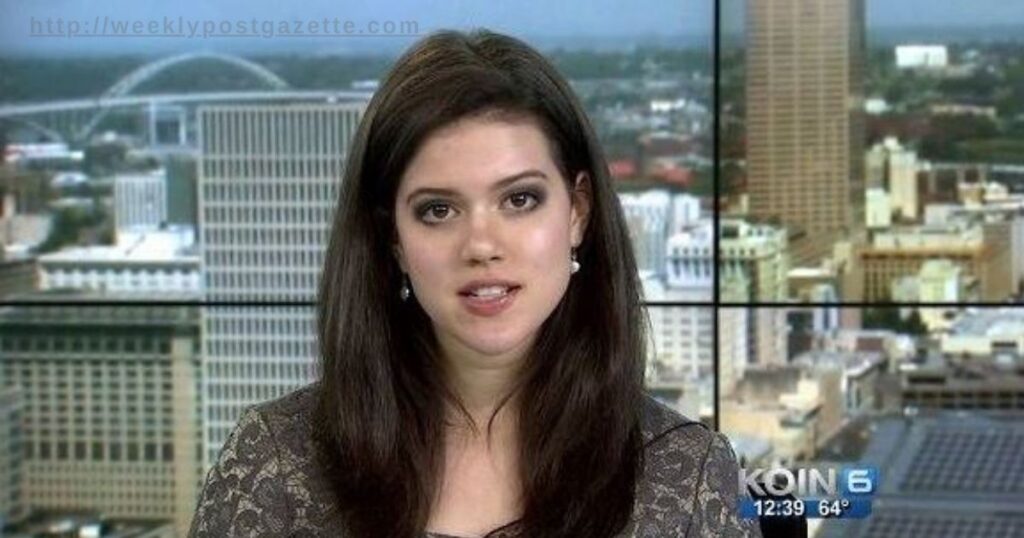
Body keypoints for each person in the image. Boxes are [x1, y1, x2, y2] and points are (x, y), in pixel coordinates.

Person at [188, 29, 761, 538]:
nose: (481, 245)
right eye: (438, 210)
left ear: (578, 212)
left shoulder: (686, 477)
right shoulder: (275, 463)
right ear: (393, 239)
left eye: (520, 199)